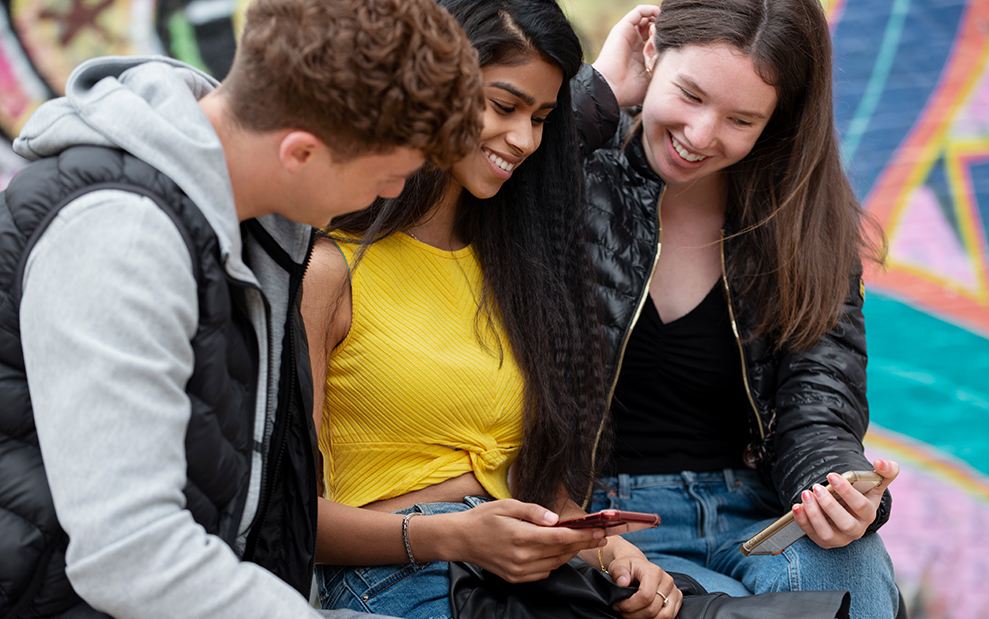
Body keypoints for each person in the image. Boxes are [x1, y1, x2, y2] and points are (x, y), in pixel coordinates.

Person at [0, 0, 482, 615]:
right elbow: (131, 553)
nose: (392, 192)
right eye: (388, 173)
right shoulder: (122, 238)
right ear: (301, 153)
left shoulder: (248, 218)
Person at [302, 1, 682, 618]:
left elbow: (537, 493)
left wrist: (608, 552)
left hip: (520, 574)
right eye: (504, 107)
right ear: (431, 88)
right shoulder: (330, 269)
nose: (524, 139)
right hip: (397, 575)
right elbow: (291, 515)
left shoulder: (515, 268)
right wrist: (455, 534)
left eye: (541, 118)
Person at [575, 1, 901, 616]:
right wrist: (594, 93)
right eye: (690, 94)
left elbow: (819, 396)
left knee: (852, 564)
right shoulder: (569, 175)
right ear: (650, 53)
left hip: (753, 514)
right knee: (722, 605)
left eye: (741, 119)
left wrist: (832, 487)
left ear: (776, 121)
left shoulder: (801, 223)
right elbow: (468, 173)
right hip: (601, 518)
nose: (701, 136)